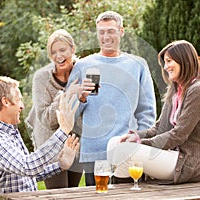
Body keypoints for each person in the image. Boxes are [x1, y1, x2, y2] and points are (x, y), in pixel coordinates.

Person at [66, 11, 157, 186]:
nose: (105, 36)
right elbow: (68, 113)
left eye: (111, 31)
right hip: (94, 153)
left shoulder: (137, 65)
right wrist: (81, 98)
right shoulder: (83, 65)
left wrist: (140, 142)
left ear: (121, 31)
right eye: (101, 32)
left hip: (127, 150)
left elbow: (147, 111)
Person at [108, 40, 200, 184]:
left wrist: (141, 143)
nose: (166, 67)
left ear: (184, 60)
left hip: (186, 163)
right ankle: (125, 192)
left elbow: (179, 134)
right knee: (114, 143)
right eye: (164, 63)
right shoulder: (176, 91)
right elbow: (159, 128)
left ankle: (118, 193)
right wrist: (134, 136)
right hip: (170, 155)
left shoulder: (198, 91)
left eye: (169, 61)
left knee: (126, 151)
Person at [0, 76, 80, 200]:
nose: (22, 106)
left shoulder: (9, 132)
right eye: (19, 100)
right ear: (6, 102)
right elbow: (27, 167)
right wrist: (63, 131)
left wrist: (61, 165)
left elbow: (25, 174)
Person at [25, 29, 83, 189]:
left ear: (73, 49)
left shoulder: (82, 71)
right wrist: (66, 94)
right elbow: (46, 119)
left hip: (75, 142)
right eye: (53, 52)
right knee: (58, 194)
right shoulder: (41, 77)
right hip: (50, 144)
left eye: (63, 50)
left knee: (72, 192)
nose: (58, 56)